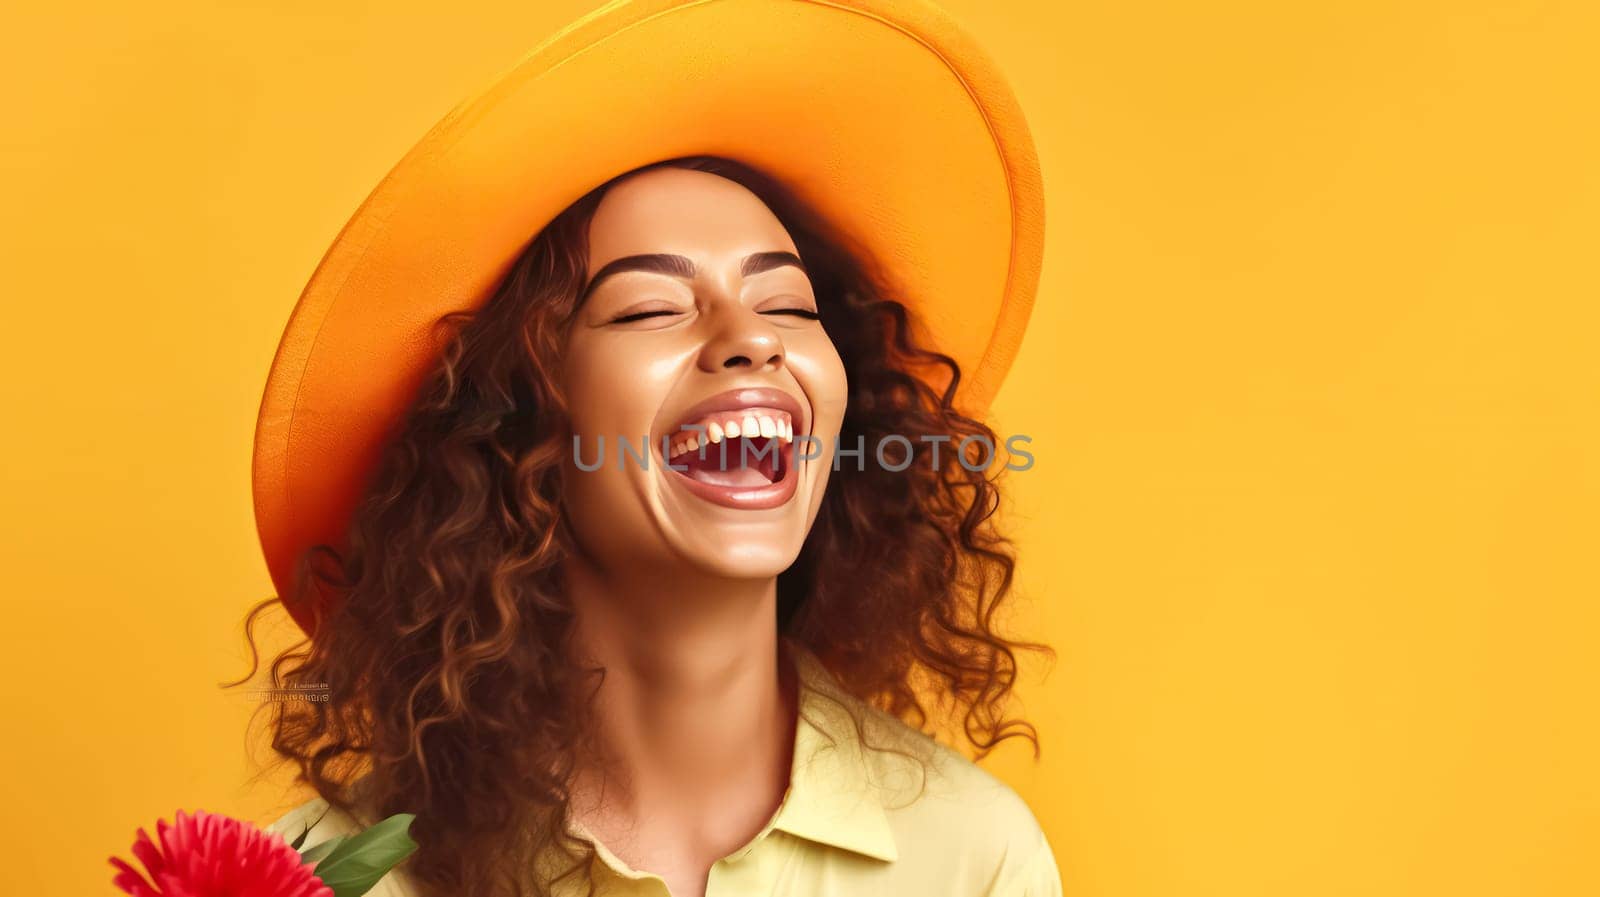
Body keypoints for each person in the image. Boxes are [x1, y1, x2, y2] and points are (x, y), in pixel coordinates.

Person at [239, 3, 1055, 896]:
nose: (752, 339)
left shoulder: (975, 857)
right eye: (647, 309)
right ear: (516, 420)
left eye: (788, 305)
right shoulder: (323, 876)